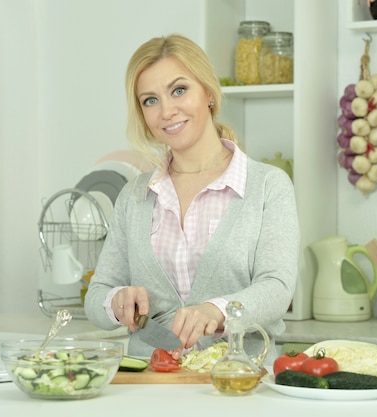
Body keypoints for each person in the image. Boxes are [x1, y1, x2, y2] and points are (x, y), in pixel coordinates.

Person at [84, 33, 299, 363]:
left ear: (209, 93)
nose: (167, 111)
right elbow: (97, 293)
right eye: (150, 100)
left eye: (179, 90)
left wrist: (217, 310)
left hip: (240, 382)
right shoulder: (134, 196)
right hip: (151, 385)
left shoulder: (268, 186)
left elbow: (277, 287)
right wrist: (116, 301)